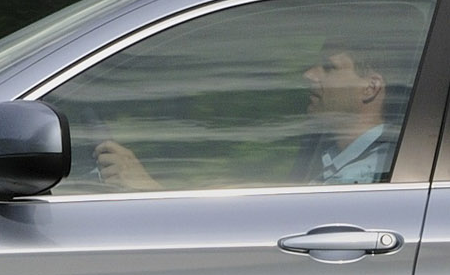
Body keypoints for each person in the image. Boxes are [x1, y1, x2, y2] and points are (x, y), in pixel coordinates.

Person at [90, 37, 396, 191]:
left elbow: (277, 230)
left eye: (328, 68)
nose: (309, 74)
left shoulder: (368, 175)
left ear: (370, 87)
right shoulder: (325, 153)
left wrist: (150, 190)